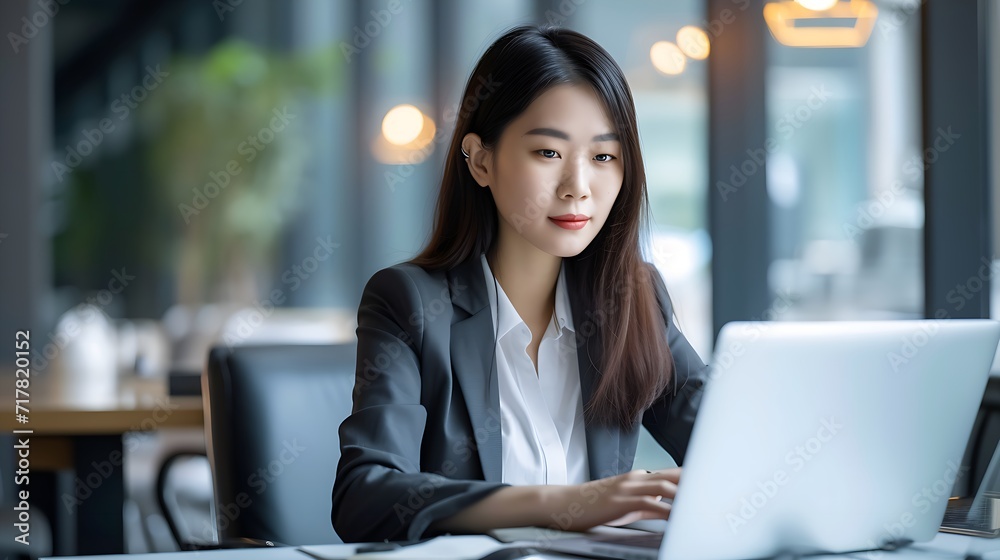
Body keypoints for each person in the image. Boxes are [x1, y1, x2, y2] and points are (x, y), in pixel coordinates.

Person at [331, 24, 709, 543]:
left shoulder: (633, 297)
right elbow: (365, 496)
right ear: (481, 160)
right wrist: (564, 504)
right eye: (548, 153)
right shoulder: (409, 303)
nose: (579, 187)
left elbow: (730, 450)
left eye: (603, 157)